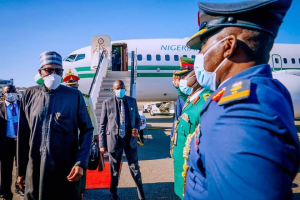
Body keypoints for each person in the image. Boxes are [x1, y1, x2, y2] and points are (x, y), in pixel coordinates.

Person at [183, 0, 300, 199]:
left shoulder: (242, 113)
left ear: (228, 46)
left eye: (203, 45)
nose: (199, 55)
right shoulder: (250, 95)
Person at [17, 51, 94, 200]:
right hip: (35, 168)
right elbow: (23, 134)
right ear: (40, 72)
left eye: (58, 71)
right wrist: (20, 170)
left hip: (66, 169)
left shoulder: (74, 96)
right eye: (49, 70)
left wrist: (81, 162)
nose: (54, 74)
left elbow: (87, 129)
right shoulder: (29, 94)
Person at [171, 57, 211, 199]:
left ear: (196, 76)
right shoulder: (193, 98)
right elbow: (185, 98)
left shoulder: (206, 101)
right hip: (182, 166)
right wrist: (178, 86)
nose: (181, 80)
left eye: (184, 76)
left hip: (192, 170)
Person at [99, 80, 145, 200]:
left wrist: (136, 128)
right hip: (115, 141)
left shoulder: (131, 101)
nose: (121, 90)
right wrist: (102, 144)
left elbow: (137, 118)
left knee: (135, 168)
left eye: (122, 87)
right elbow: (102, 125)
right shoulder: (107, 103)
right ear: (113, 90)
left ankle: (141, 193)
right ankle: (113, 192)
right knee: (114, 170)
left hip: (130, 140)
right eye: (118, 88)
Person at [63, 69, 99, 200]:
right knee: (66, 162)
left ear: (78, 85)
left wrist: (95, 134)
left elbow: (92, 117)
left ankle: (81, 190)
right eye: (70, 86)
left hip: (82, 137)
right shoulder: (61, 98)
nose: (73, 88)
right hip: (66, 137)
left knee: (82, 162)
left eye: (74, 86)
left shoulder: (85, 98)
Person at [0, 85, 24, 200]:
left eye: (13, 92)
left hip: (21, 141)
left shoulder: (23, 106)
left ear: (17, 93)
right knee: (6, 169)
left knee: (21, 166)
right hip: (6, 142)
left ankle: (19, 186)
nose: (11, 94)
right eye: (8, 92)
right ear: (3, 94)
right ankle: (5, 193)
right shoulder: (0, 107)